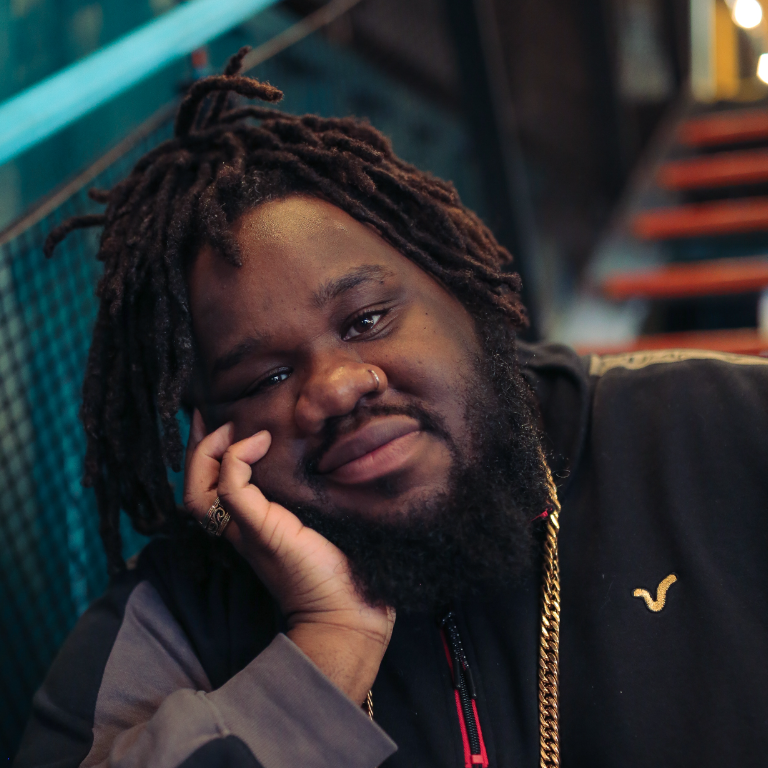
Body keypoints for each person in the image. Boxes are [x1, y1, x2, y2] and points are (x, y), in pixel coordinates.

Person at [14, 48, 768, 768]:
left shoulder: (717, 431)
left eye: (367, 319)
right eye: (266, 376)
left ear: (463, 294)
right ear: (211, 434)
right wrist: (326, 648)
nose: (336, 387)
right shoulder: (178, 615)